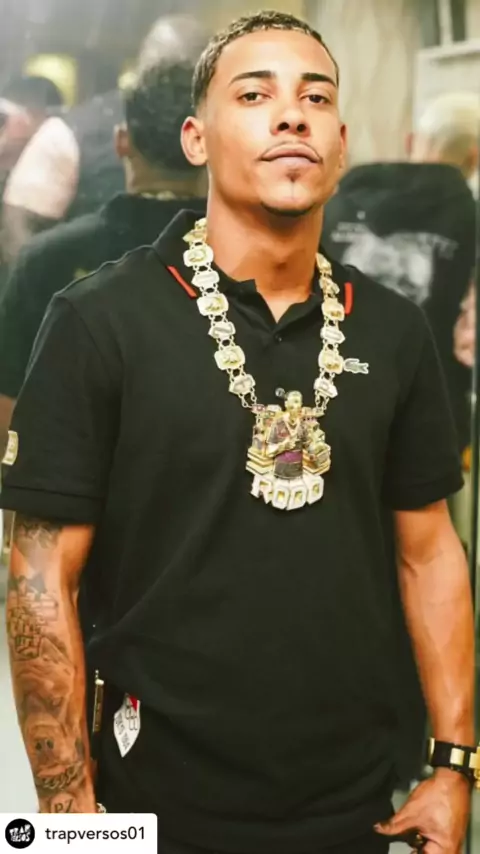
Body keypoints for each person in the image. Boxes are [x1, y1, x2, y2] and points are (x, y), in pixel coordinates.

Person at [1, 11, 475, 854]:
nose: (291, 115)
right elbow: (40, 578)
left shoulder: (393, 329)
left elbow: (429, 553)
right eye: (255, 95)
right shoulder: (100, 322)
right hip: (154, 798)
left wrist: (453, 765)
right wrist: (67, 810)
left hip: (356, 802)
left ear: (340, 144)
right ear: (196, 138)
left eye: (316, 98)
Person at [0, 55, 206, 459]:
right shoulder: (247, 261)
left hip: (71, 480)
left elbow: (7, 409)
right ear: (203, 144)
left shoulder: (47, 260)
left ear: (121, 141)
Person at [322, 92, 479, 453]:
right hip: (432, 421)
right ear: (474, 157)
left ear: (410, 142)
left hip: (332, 408)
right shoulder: (472, 221)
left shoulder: (333, 204)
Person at [1, 15, 212, 263]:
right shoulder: (69, 134)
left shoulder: (229, 131)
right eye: (163, 75)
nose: (170, 89)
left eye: (183, 78)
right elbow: (20, 229)